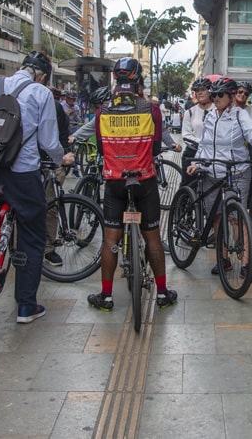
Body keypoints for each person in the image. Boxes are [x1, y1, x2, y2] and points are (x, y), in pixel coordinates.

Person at [0, 51, 74, 324]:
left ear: (21, 67)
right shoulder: (40, 93)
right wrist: (62, 158)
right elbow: (48, 140)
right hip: (23, 176)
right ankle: (25, 306)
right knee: (32, 237)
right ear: (43, 75)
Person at [87, 57, 178, 312]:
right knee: (153, 239)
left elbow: (102, 148)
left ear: (116, 80)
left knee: (110, 240)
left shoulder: (102, 109)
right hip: (145, 181)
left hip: (115, 182)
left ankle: (106, 297)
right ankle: (162, 294)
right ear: (138, 79)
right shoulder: (151, 109)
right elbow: (157, 147)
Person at [186, 75, 252, 281]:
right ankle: (222, 258)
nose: (215, 98)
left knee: (237, 218)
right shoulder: (210, 116)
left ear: (231, 96)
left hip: (237, 172)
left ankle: (245, 264)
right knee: (216, 216)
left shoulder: (239, 115)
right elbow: (205, 144)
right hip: (212, 172)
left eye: (220, 95)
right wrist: (197, 162)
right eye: (213, 94)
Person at [42, 83, 70, 268]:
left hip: (51, 164)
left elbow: (63, 135)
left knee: (51, 206)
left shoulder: (56, 108)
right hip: (27, 165)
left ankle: (48, 248)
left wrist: (63, 158)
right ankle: (17, 248)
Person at [181, 78, 214, 184]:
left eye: (203, 89)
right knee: (187, 186)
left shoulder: (217, 110)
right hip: (193, 152)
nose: (200, 92)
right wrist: (202, 142)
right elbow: (186, 135)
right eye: (197, 90)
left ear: (210, 91)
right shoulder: (190, 112)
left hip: (213, 153)